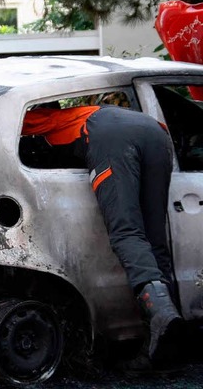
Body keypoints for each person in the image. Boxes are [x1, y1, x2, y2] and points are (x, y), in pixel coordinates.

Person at [22, 104, 183, 368]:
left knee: (126, 231)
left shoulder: (47, 117)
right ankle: (168, 343)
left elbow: (10, 121)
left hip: (111, 136)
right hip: (156, 133)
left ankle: (162, 313)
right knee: (154, 240)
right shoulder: (84, 109)